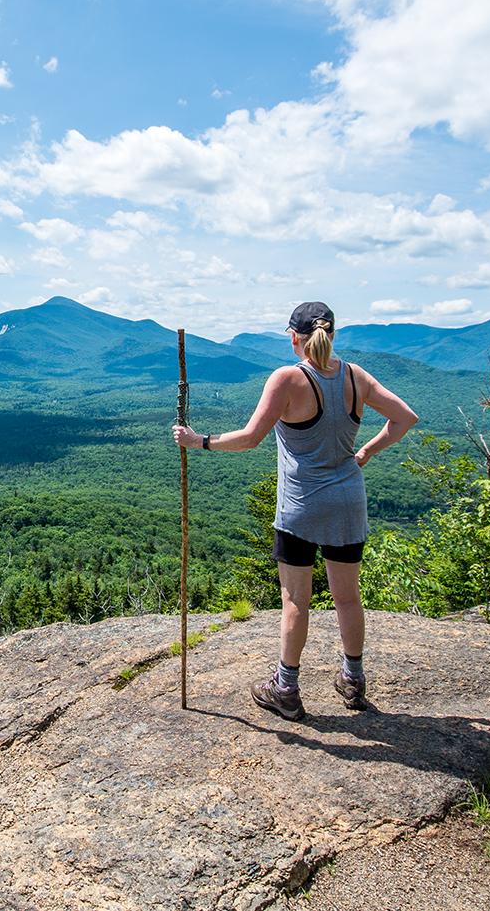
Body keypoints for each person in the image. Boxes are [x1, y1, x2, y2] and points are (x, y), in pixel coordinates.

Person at [172, 301, 418, 722]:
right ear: (332, 335)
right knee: (348, 597)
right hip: (347, 502)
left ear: (293, 338)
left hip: (302, 506)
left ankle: (286, 689)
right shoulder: (355, 377)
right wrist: (366, 452)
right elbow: (405, 418)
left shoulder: (288, 378)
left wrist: (200, 442)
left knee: (295, 601)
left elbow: (250, 438)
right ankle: (353, 680)